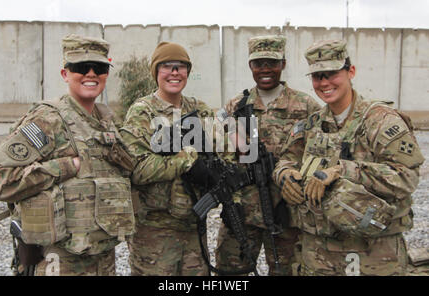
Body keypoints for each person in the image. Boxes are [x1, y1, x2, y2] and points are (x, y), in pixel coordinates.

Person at [0, 34, 136, 276]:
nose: (91, 74)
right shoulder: (48, 120)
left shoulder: (106, 122)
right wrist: (67, 166)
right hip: (59, 260)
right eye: (80, 67)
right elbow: (0, 181)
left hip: (102, 257)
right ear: (65, 74)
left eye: (99, 67)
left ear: (106, 74)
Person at [273, 39, 425, 275]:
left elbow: (406, 177)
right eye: (317, 76)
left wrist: (342, 171)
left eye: (332, 73)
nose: (324, 83)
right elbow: (287, 158)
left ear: (350, 72)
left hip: (371, 252)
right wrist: (284, 174)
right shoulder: (312, 124)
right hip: (317, 251)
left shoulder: (380, 120)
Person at [215, 35, 321, 275]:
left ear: (283, 64)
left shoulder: (306, 106)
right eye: (258, 63)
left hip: (287, 214)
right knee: (230, 273)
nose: (265, 69)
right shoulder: (235, 106)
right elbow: (219, 151)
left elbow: (321, 151)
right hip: (242, 213)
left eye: (271, 63)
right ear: (250, 66)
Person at [119, 41, 216, 276]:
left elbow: (220, 153)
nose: (175, 72)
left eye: (181, 66)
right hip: (155, 231)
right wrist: (187, 160)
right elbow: (136, 168)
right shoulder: (142, 111)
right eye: (167, 66)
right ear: (156, 72)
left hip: (194, 228)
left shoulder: (200, 110)